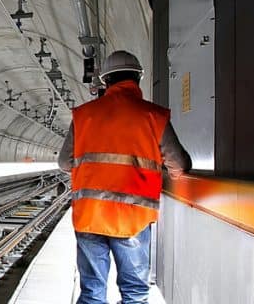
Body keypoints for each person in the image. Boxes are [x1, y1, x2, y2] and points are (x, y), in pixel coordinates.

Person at [57, 50, 191, 304]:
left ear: (105, 82)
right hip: (131, 218)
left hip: (90, 215)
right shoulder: (154, 116)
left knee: (92, 292)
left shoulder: (83, 115)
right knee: (134, 293)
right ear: (138, 78)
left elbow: (64, 162)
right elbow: (179, 164)